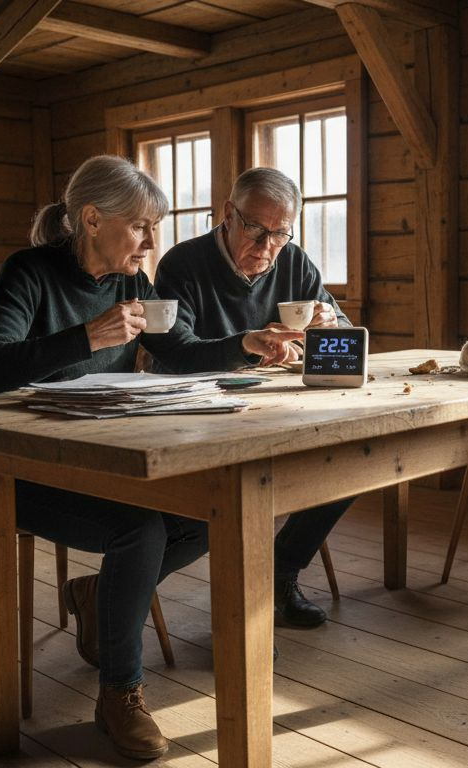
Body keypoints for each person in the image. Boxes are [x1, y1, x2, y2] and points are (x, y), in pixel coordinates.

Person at [0, 155, 300, 761]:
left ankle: (101, 596)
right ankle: (120, 692)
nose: (151, 242)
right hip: (14, 463)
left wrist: (246, 345)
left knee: (219, 509)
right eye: (141, 226)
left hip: (99, 457)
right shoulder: (29, 272)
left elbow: (183, 349)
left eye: (154, 227)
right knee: (138, 527)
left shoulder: (133, 283)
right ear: (91, 219)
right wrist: (87, 336)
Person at [152, 167, 354, 630]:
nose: (266, 248)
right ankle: (235, 624)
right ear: (228, 214)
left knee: (351, 458)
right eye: (255, 229)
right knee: (237, 495)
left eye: (279, 234)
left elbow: (343, 337)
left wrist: (330, 326)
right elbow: (174, 352)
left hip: (270, 406)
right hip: (192, 411)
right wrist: (244, 344)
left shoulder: (295, 262)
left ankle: (280, 573)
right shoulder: (183, 264)